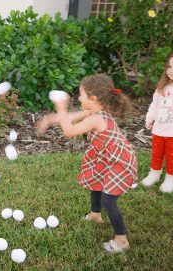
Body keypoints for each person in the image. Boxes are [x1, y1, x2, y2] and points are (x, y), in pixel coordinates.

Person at [38, 74, 137, 254]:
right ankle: (95, 215)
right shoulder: (92, 112)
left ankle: (121, 240)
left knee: (109, 200)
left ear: (93, 99)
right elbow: (70, 118)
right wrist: (50, 119)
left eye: (81, 94)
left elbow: (69, 131)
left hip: (118, 161)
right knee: (96, 183)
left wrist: (61, 106)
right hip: (106, 157)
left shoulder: (96, 118)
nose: (79, 97)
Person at [141, 49, 173, 193]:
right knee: (157, 153)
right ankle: (154, 174)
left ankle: (171, 179)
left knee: (172, 157)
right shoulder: (162, 87)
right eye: (169, 66)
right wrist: (149, 118)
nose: (171, 70)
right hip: (159, 129)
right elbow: (155, 105)